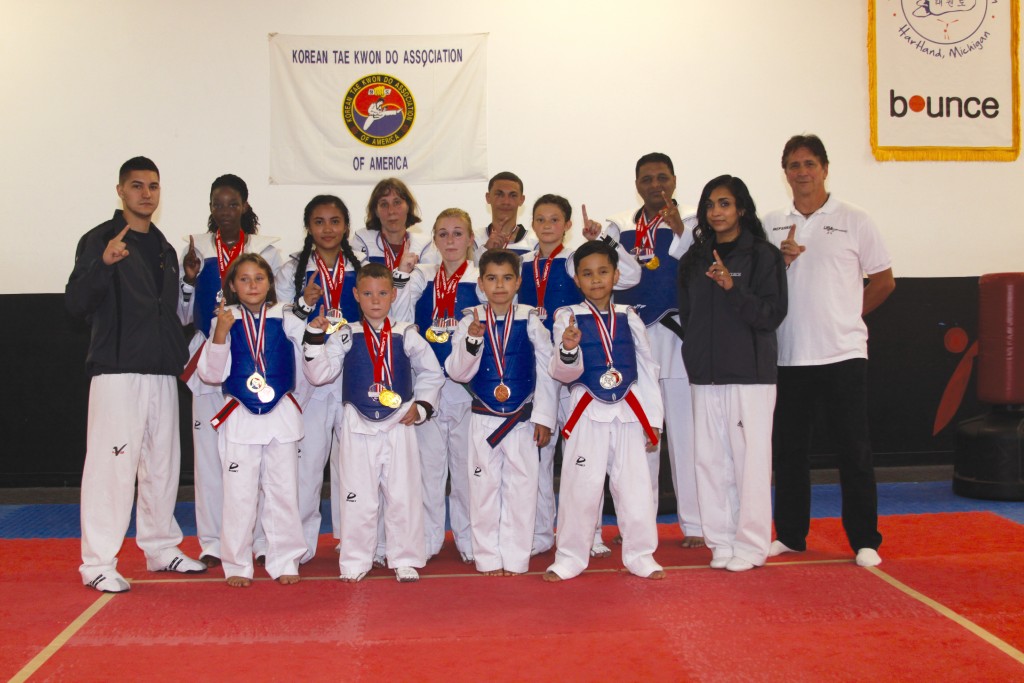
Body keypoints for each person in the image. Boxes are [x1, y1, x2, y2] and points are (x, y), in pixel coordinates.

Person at [66, 156, 205, 593]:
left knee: (163, 466)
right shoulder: (100, 240)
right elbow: (75, 304)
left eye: (153, 186)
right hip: (117, 372)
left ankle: (161, 548)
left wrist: (187, 280)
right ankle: (98, 562)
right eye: (137, 186)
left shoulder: (165, 248)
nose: (146, 193)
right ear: (121, 191)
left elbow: (174, 315)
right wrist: (103, 264)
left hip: (163, 371)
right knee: (112, 468)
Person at [764, 134, 895, 568]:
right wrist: (780, 263)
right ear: (785, 172)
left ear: (824, 168)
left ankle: (864, 540)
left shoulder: (855, 218)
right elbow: (761, 288)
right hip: (788, 354)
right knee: (788, 451)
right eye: (794, 165)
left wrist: (845, 314)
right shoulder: (771, 223)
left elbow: (884, 280)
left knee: (853, 450)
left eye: (809, 164)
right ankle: (790, 536)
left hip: (842, 353)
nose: (802, 172)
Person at [302, 263, 444, 582]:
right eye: (367, 293)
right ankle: (356, 559)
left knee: (403, 492)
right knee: (357, 493)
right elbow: (319, 374)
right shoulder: (344, 334)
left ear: (394, 295)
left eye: (382, 293)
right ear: (356, 295)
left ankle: (405, 557)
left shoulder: (406, 333)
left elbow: (432, 373)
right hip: (357, 423)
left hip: (398, 423)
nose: (375, 300)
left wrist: (421, 406)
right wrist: (313, 337)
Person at [516, 194, 639, 557]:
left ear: (567, 225)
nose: (547, 225)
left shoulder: (576, 261)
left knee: (585, 453)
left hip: (578, 365)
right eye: (541, 219)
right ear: (533, 222)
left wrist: (601, 240)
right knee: (538, 451)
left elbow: (630, 276)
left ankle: (592, 532)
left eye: (555, 219)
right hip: (533, 364)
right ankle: (540, 532)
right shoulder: (520, 262)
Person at [677, 175, 788, 572]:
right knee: (710, 461)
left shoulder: (762, 256)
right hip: (705, 376)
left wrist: (731, 287)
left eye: (724, 204)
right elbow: (688, 316)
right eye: (710, 205)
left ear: (741, 208)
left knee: (750, 463)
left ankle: (753, 544)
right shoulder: (695, 258)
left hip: (750, 376)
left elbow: (771, 315)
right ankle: (720, 541)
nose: (716, 212)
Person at [179, 174, 283, 569]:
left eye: (232, 203)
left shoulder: (265, 251)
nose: (225, 211)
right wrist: (189, 280)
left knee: (255, 453)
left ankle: (256, 540)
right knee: (208, 455)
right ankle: (211, 540)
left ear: (244, 206)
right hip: (210, 356)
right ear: (210, 208)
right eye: (217, 204)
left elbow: (277, 307)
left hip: (253, 365)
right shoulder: (194, 251)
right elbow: (183, 314)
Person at [544, 241, 665, 581]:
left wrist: (653, 420)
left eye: (602, 272)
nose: (595, 280)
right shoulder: (566, 317)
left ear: (615, 275)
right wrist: (568, 349)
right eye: (587, 274)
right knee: (580, 488)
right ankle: (570, 556)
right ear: (577, 280)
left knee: (635, 488)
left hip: (627, 413)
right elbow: (562, 372)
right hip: (587, 413)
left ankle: (641, 555)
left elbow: (647, 369)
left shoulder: (630, 317)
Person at [604, 153, 704, 549]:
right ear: (637, 184)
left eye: (662, 177)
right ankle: (636, 525)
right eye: (647, 179)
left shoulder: (695, 221)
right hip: (632, 339)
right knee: (640, 435)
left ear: (675, 181)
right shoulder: (618, 225)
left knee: (684, 434)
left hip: (676, 334)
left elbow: (701, 267)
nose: (655, 185)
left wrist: (683, 231)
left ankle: (694, 524)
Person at [197, 253, 307, 587]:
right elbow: (211, 374)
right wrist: (219, 334)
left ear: (270, 283)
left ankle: (285, 559)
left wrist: (294, 397)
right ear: (232, 286)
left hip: (280, 416)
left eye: (259, 278)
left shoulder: (286, 316)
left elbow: (307, 361)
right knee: (239, 494)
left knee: (284, 491)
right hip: (240, 417)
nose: (252, 285)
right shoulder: (226, 318)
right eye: (244, 279)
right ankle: (237, 564)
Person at [445, 249, 557, 575]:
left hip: (521, 419)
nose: (499, 286)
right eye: (491, 279)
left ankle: (517, 558)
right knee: (483, 490)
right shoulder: (470, 320)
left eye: (507, 278)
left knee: (522, 490)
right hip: (484, 419)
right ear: (480, 283)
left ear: (518, 281)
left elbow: (547, 370)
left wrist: (544, 418)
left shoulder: (531, 319)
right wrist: (472, 343)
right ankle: (487, 558)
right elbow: (457, 372)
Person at [276, 195, 365, 563]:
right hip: (310, 378)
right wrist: (305, 305)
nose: (327, 229)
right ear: (308, 227)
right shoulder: (292, 270)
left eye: (334, 221)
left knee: (352, 466)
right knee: (308, 465)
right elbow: (281, 323)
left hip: (352, 377)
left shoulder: (361, 269)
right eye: (319, 221)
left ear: (346, 226)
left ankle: (355, 542)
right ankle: (301, 545)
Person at [393, 209, 481, 561]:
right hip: (426, 382)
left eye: (458, 233)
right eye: (442, 234)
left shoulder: (480, 276)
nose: (450, 241)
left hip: (467, 384)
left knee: (464, 469)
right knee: (429, 470)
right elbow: (398, 314)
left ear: (471, 239)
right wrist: (401, 272)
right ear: (433, 239)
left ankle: (468, 539)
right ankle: (428, 540)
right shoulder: (421, 276)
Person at [353, 178, 436, 286]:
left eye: (397, 202)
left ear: (408, 207)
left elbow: (429, 288)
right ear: (376, 211)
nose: (391, 211)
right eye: (384, 204)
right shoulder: (362, 239)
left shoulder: (425, 245)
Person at [478, 171, 535, 257]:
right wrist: (486, 249)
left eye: (513, 195)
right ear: (488, 197)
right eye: (499, 194)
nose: (506, 202)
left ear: (521, 200)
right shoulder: (474, 239)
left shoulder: (535, 242)